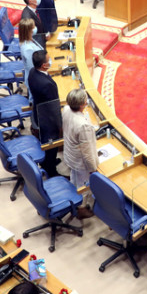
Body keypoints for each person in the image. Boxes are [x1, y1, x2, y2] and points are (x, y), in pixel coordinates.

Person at [62, 88, 97, 218]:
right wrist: (93, 169)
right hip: (80, 161)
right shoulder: (83, 126)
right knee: (83, 186)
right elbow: (87, 152)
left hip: (70, 154)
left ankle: (72, 199)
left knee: (74, 178)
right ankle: (80, 208)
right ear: (83, 104)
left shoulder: (66, 110)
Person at [27, 51, 60, 175]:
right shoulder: (47, 85)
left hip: (39, 112)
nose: (51, 60)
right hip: (48, 119)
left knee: (46, 141)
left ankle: (47, 161)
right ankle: (51, 170)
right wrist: (60, 123)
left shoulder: (32, 72)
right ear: (44, 66)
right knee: (51, 143)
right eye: (49, 59)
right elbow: (53, 106)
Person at [18, 18, 44, 86]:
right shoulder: (28, 50)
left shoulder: (30, 40)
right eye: (34, 27)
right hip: (35, 82)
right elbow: (32, 70)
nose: (35, 28)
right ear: (29, 31)